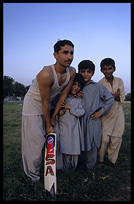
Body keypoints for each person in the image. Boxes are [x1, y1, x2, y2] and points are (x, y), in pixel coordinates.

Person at [22, 39, 76, 181]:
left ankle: (52, 168)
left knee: (53, 135)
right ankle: (33, 175)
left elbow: (63, 95)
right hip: (34, 104)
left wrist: (53, 118)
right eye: (65, 53)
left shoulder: (72, 71)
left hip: (51, 102)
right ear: (55, 55)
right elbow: (43, 102)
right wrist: (47, 124)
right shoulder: (47, 74)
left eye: (71, 53)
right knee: (36, 140)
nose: (69, 57)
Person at [78, 60, 114, 169]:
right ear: (79, 72)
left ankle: (91, 166)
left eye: (89, 72)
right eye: (83, 71)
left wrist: (100, 112)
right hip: (79, 119)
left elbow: (110, 99)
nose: (86, 74)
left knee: (93, 142)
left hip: (93, 119)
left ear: (93, 73)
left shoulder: (98, 87)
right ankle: (78, 165)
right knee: (80, 140)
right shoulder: (76, 86)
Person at [98, 58, 125, 167]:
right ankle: (100, 160)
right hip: (106, 113)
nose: (107, 71)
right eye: (105, 69)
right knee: (104, 138)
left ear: (114, 69)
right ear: (101, 70)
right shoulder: (100, 84)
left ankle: (112, 160)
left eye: (110, 68)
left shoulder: (119, 81)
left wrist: (112, 97)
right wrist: (114, 96)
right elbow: (102, 101)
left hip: (118, 112)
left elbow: (121, 97)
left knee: (117, 137)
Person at [56, 73, 85, 171]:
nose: (76, 87)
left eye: (79, 85)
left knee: (73, 146)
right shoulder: (62, 97)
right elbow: (54, 110)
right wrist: (59, 112)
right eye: (74, 84)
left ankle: (72, 166)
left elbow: (81, 112)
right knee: (64, 146)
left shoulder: (78, 99)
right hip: (63, 127)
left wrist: (70, 107)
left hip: (74, 129)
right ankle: (63, 166)